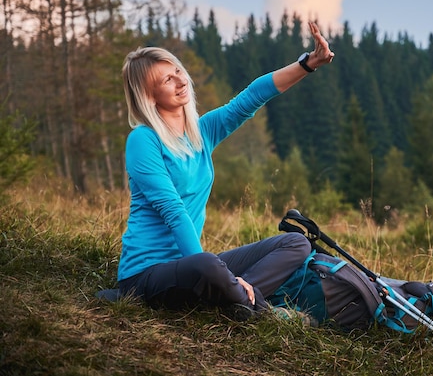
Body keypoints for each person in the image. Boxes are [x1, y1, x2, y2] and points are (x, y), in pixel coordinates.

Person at [116, 21, 335, 315]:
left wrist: (308, 63)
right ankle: (260, 309)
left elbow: (251, 97)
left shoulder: (201, 133)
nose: (181, 81)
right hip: (146, 275)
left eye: (178, 71)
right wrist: (205, 268)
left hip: (192, 266)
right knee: (207, 263)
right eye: (167, 80)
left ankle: (238, 301)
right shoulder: (143, 140)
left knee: (296, 243)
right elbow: (173, 212)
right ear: (148, 95)